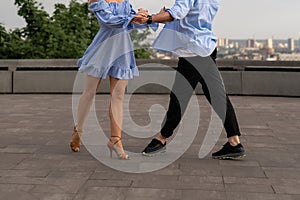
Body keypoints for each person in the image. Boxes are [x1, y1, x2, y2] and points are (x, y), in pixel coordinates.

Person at [134, 0, 245, 159]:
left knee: (179, 96)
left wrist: (151, 18)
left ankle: (162, 138)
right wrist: (161, 15)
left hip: (192, 51)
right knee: (216, 95)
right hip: (206, 46)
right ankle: (234, 142)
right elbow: (188, 15)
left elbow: (177, 13)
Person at [70, 0, 157, 159]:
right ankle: (79, 130)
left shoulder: (124, 2)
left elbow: (131, 23)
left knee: (118, 96)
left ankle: (116, 140)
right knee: (89, 93)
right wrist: (132, 18)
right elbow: (109, 21)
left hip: (122, 51)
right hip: (102, 48)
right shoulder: (99, 2)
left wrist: (148, 17)